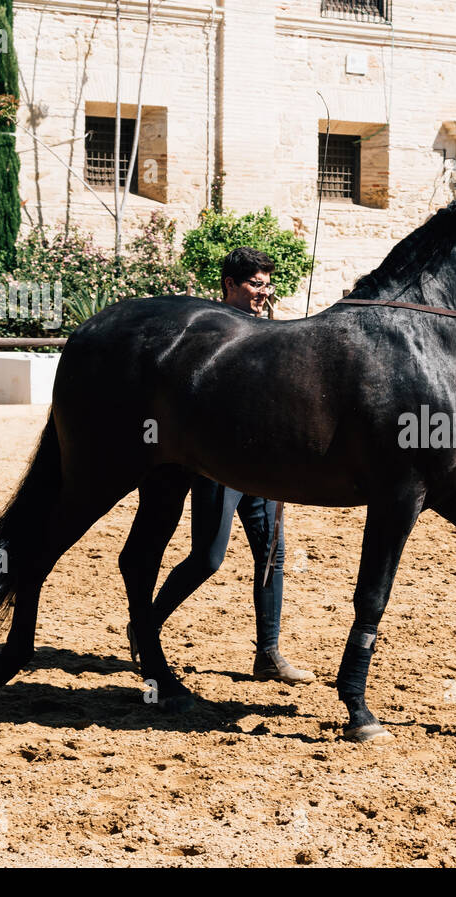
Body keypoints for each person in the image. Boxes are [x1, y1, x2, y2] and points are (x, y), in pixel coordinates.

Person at [147, 247, 314, 683]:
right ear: (229, 285)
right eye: (255, 284)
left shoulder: (269, 329)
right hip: (221, 464)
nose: (264, 292)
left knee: (272, 556)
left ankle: (268, 654)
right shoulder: (211, 329)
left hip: (266, 465)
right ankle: (146, 624)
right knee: (208, 558)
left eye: (267, 285)